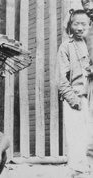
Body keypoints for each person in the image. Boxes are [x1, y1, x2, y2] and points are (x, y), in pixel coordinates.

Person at [58, 9, 93, 178]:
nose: (80, 27)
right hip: (77, 97)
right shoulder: (66, 47)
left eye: (84, 24)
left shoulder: (92, 45)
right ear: (71, 26)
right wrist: (73, 100)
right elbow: (61, 79)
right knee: (77, 139)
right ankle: (79, 173)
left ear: (90, 25)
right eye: (76, 23)